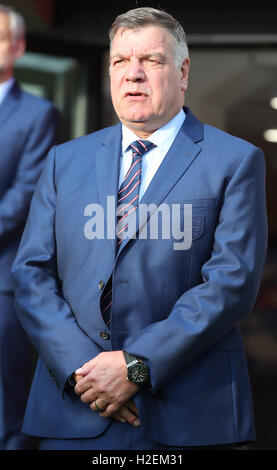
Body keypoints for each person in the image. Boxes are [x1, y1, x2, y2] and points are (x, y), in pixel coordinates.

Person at [12, 7, 267, 450]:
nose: (132, 75)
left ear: (183, 72)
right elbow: (31, 274)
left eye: (150, 60)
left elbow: (233, 283)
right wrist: (81, 370)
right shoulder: (62, 162)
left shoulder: (235, 161)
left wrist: (136, 366)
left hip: (188, 414)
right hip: (76, 409)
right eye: (119, 61)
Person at [0, 4, 59, 450]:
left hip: (3, 283)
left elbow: (22, 199)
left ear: (17, 46)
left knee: (9, 408)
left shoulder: (38, 115)